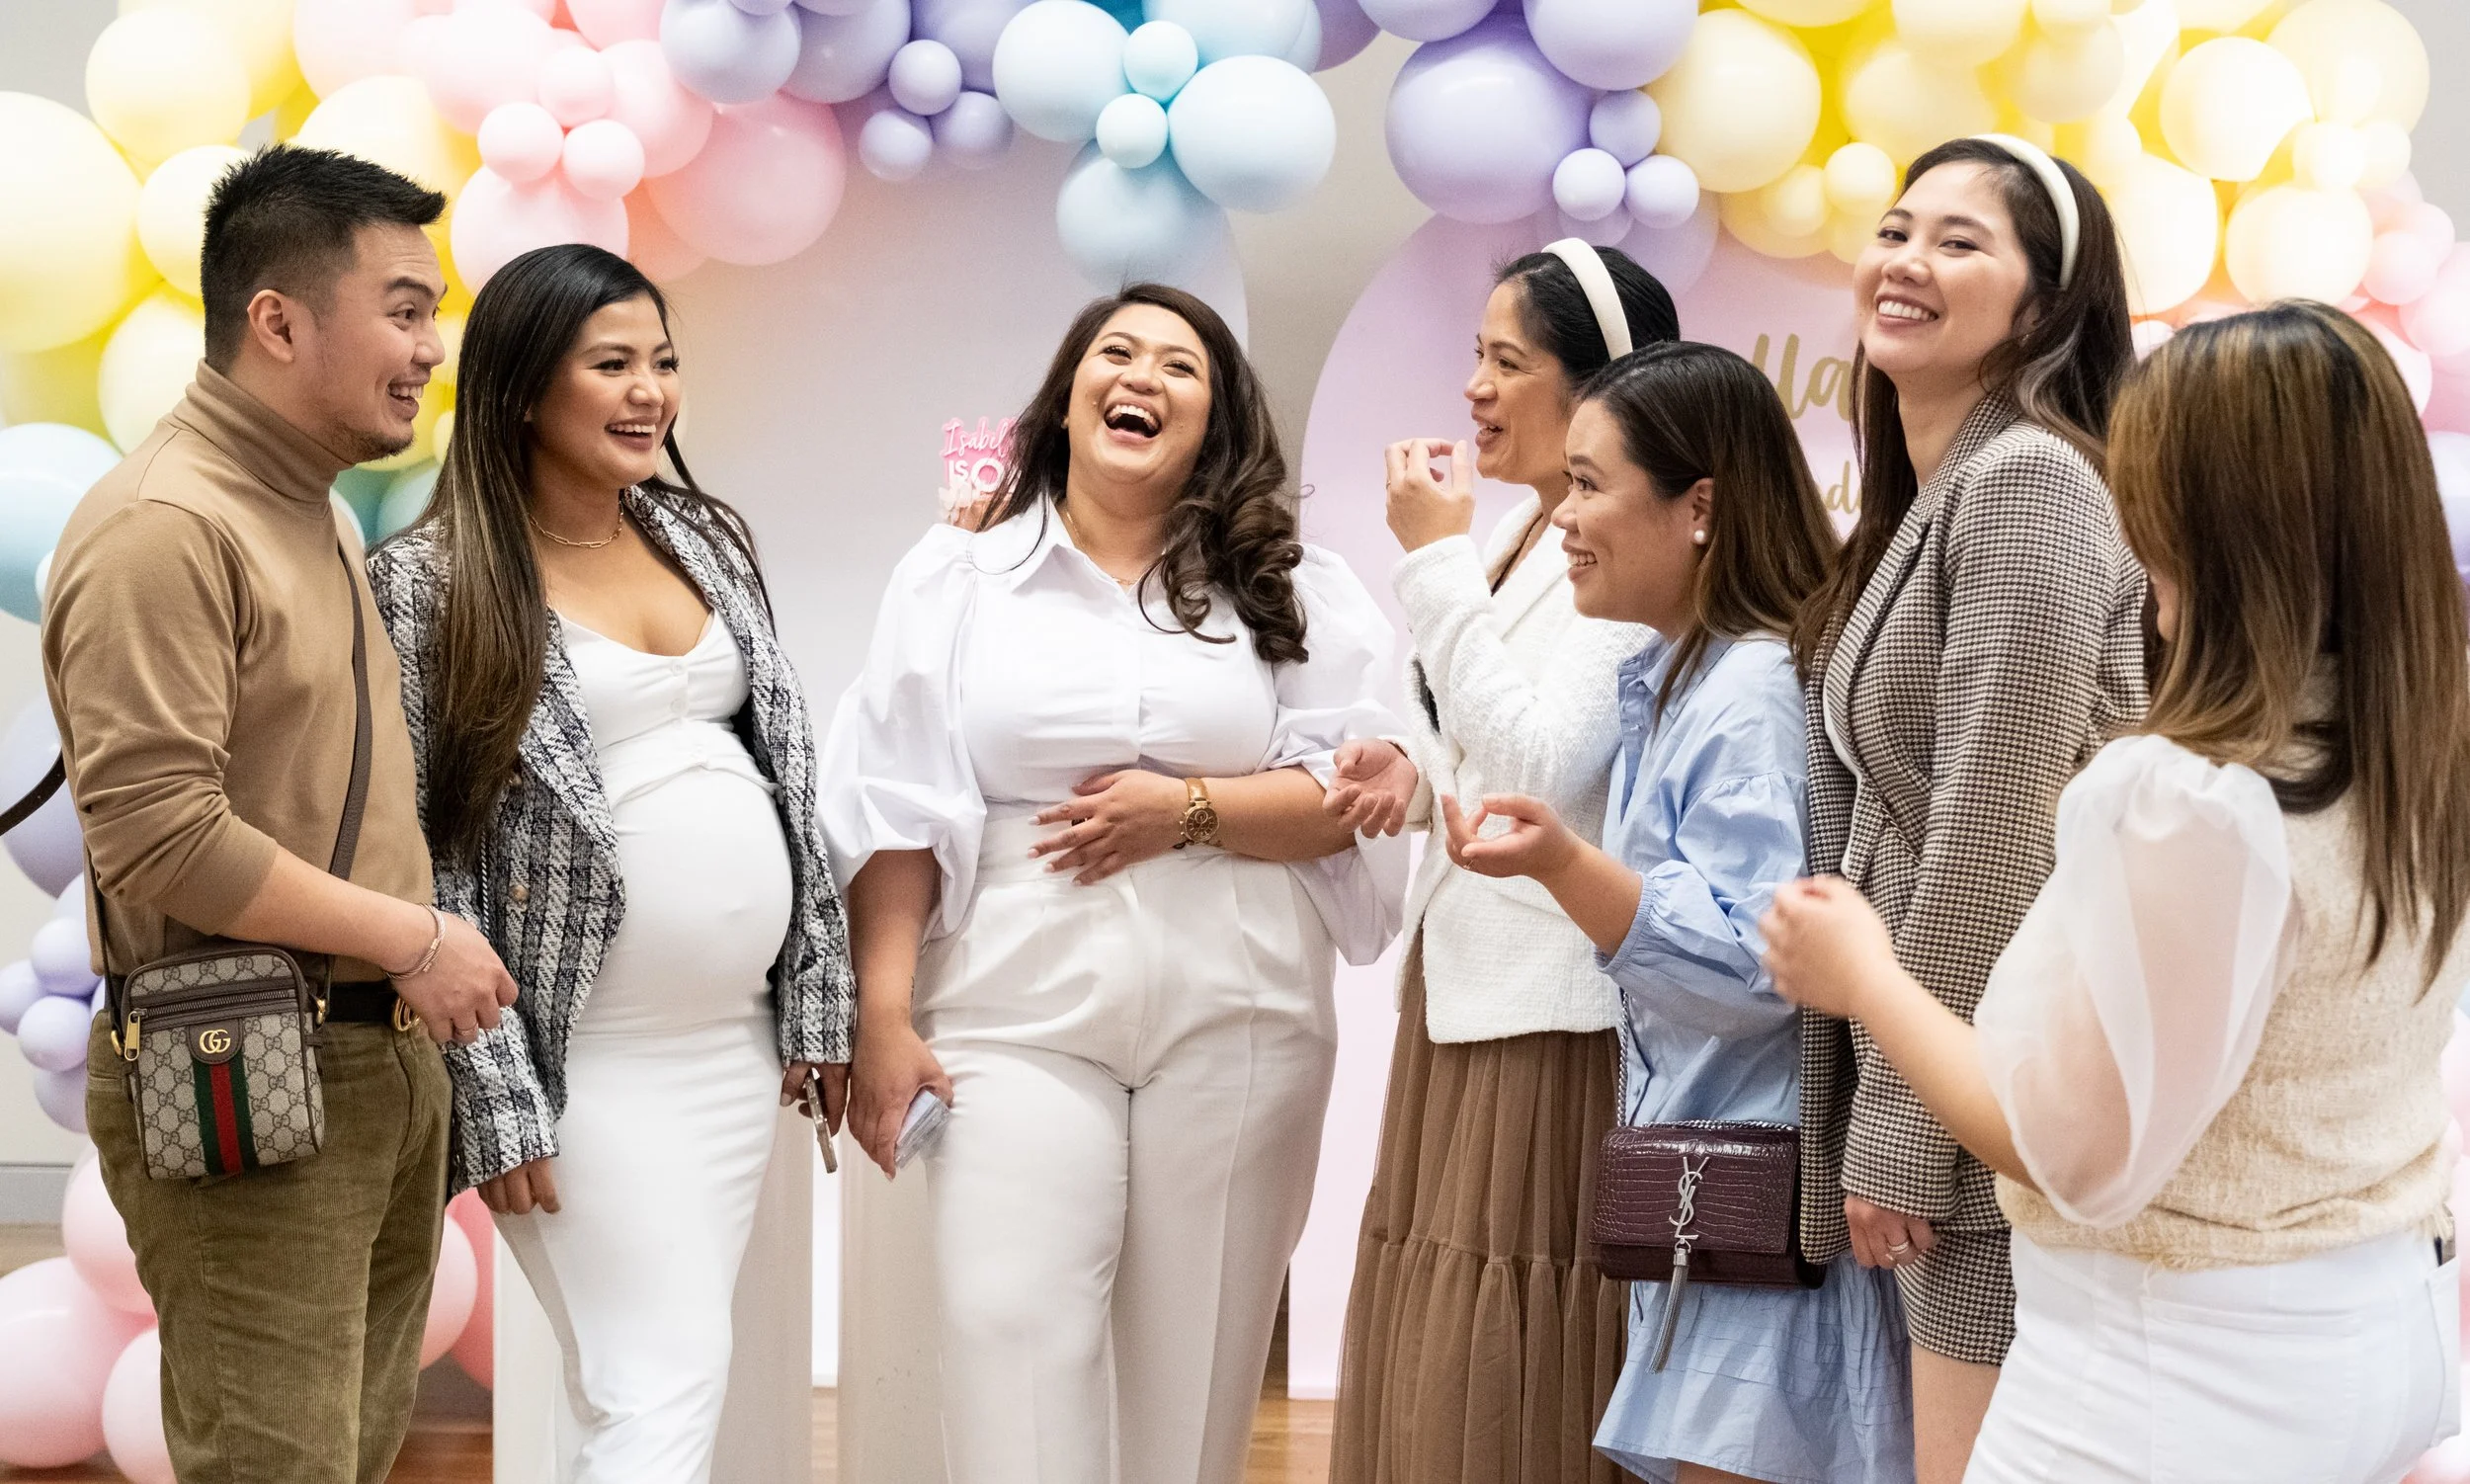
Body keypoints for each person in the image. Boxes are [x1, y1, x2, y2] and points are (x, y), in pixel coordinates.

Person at [1765, 300, 2470, 1482]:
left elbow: (2080, 1156)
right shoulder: (2418, 744)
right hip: (2375, 1331)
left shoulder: (2185, 795)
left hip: (2173, 1376)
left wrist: (1868, 979)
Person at [825, 283, 1413, 1484]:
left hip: (1240, 1003)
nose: (1141, 376)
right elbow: (895, 800)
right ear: (1069, 389)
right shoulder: (957, 576)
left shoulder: (1291, 588)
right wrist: (882, 1014)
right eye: (1116, 352)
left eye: (1179, 366)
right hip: (1014, 1003)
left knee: (1194, 1366)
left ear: (1218, 418)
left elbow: (1345, 799)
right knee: (1009, 1329)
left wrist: (1185, 809)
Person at [45, 145, 518, 1483]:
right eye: (408, 307)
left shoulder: (303, 512)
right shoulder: (164, 527)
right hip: (252, 1053)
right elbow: (158, 833)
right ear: (278, 320)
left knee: (341, 1456)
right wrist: (415, 937)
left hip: (364, 1057)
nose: (434, 346)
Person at [366, 243, 853, 1483]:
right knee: (658, 1382)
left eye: (663, 361)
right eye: (613, 364)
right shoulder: (428, 583)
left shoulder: (698, 533)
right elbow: (426, 861)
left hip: (734, 1049)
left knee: (646, 1382)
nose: (650, 392)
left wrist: (816, 999)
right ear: (527, 385)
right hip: (586, 1059)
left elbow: (788, 776)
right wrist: (498, 1091)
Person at [1441, 341, 1911, 1484]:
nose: (1563, 518)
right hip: (1729, 1205)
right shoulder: (1683, 678)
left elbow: (1760, 960)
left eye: (1590, 483)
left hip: (1761, 1212)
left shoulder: (1746, 691)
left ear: (1697, 505)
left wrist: (1564, 867)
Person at [1789, 134, 2145, 1482]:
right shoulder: (1936, 495)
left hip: (2001, 1084)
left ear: (2047, 304)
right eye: (1896, 229)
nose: (1907, 262)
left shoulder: (2032, 486)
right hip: (1955, 1061)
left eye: (1959, 241)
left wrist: (1904, 1127)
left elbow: (1993, 835)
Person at [1331, 240, 1677, 1484]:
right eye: (1474, 355)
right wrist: (1415, 785)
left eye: (1505, 360)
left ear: (1597, 391)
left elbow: (1540, 760)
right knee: (1443, 1325)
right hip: (1467, 985)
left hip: (1550, 1011)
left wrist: (1427, 557)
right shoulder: (1529, 534)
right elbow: (1489, 758)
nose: (1473, 387)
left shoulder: (1616, 543)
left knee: (1507, 1351)